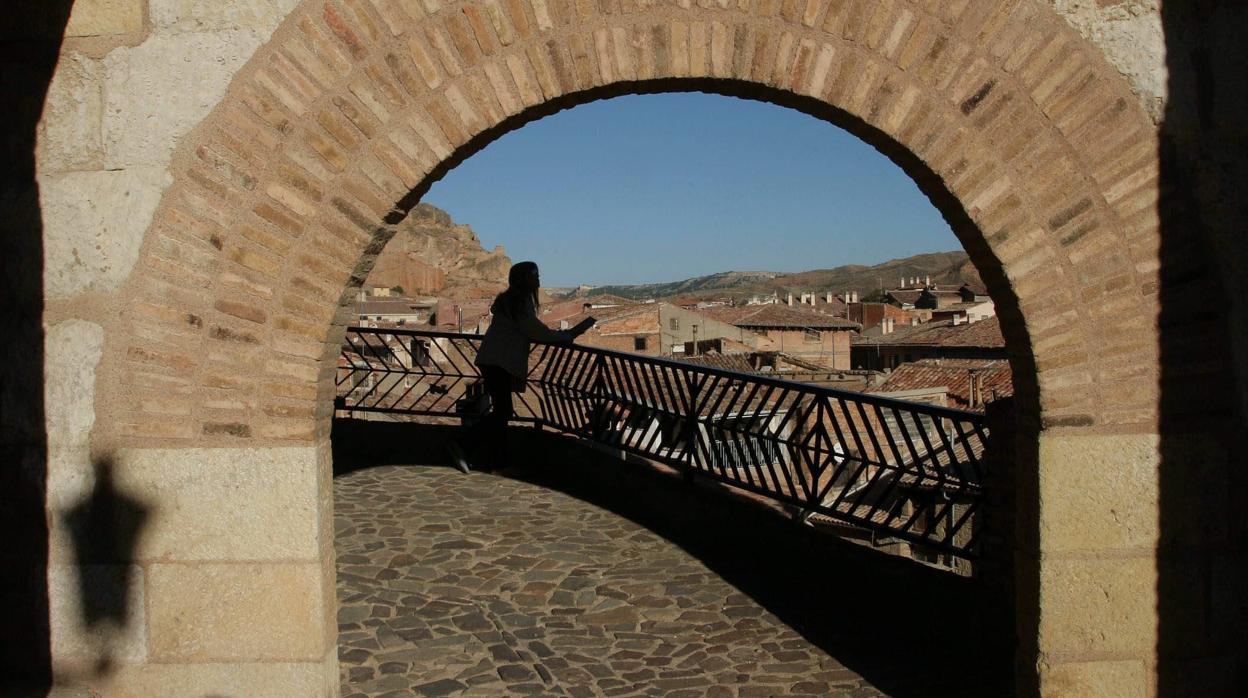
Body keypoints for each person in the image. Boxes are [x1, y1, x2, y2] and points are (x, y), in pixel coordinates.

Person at [447, 261, 594, 473]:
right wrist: (566, 336)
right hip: (499, 362)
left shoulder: (511, 301)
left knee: (502, 411)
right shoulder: (519, 303)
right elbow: (535, 331)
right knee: (503, 411)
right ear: (524, 279)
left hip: (493, 360)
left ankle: (494, 461)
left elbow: (531, 328)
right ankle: (463, 445)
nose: (538, 279)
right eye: (534, 275)